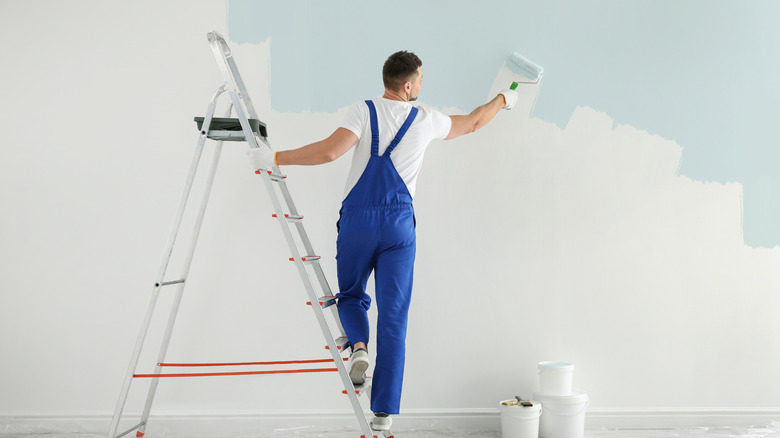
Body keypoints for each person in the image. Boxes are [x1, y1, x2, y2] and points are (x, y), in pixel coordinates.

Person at [249, 51, 518, 431]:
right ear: (408, 85)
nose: (422, 84)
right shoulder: (425, 118)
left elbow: (329, 151)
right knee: (393, 317)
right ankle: (383, 414)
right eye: (420, 79)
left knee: (351, 295)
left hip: (358, 220)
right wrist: (505, 99)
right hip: (398, 227)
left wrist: (274, 156)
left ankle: (358, 347)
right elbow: (473, 122)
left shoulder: (364, 110)